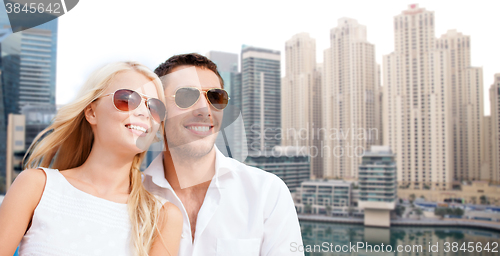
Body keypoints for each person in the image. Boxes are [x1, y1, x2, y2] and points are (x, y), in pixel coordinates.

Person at [0, 61, 182, 256]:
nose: (143, 112)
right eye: (127, 99)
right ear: (91, 112)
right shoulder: (36, 186)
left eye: (154, 107)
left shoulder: (163, 216)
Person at [143, 53, 304, 255]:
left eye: (215, 97)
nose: (204, 109)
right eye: (186, 96)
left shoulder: (267, 193)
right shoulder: (130, 197)